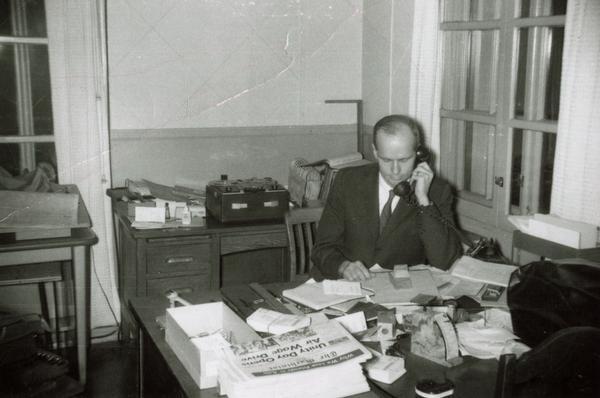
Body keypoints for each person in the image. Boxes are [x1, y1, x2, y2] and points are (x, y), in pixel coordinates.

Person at [311, 114, 462, 281]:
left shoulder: (436, 191)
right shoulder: (348, 181)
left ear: (419, 153)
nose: (395, 170)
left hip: (399, 292)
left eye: (404, 159)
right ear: (375, 152)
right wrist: (343, 266)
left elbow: (445, 262)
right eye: (387, 160)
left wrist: (423, 200)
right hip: (343, 284)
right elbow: (322, 248)